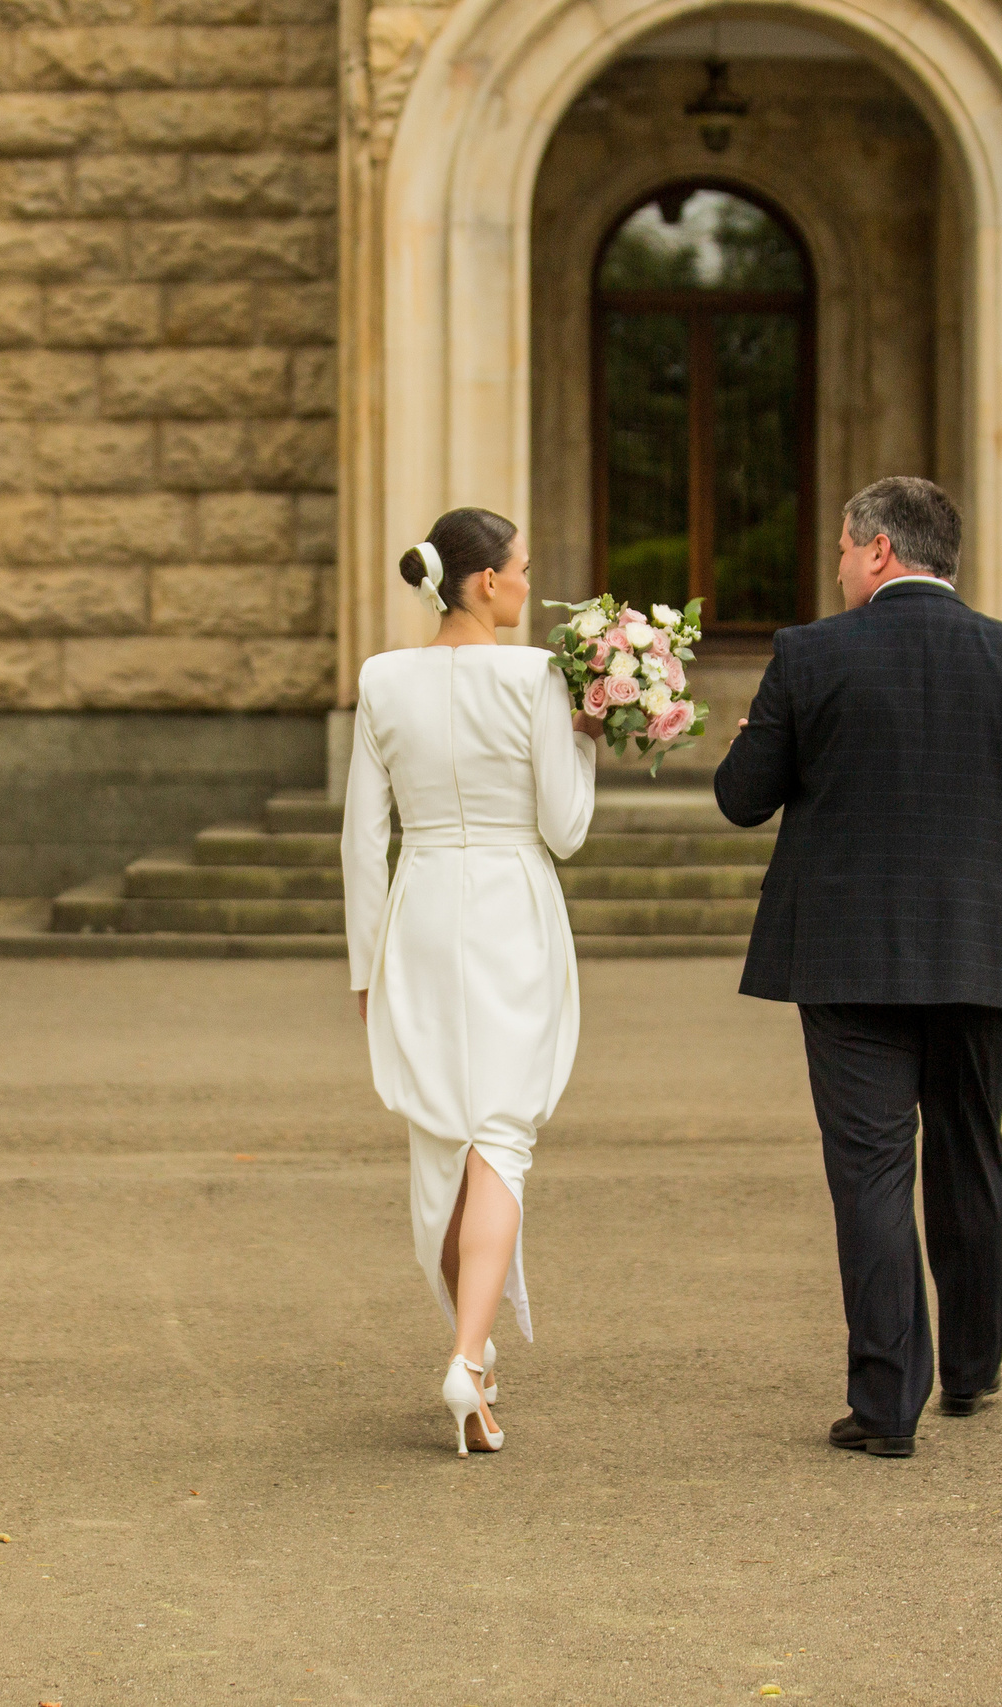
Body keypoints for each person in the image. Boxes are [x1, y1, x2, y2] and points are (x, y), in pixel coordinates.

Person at [714, 475, 1002, 1459]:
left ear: (878, 550)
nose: (839, 565)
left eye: (844, 549)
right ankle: (971, 1370)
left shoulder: (809, 656)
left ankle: (886, 1407)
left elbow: (742, 799)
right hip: (982, 954)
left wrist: (753, 739)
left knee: (872, 1173)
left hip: (847, 960)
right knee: (970, 1152)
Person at [342, 506, 606, 1457]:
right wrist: (584, 734)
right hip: (508, 909)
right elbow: (566, 828)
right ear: (485, 581)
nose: (530, 586)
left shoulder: (381, 680)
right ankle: (466, 1356)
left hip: (419, 912)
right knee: (500, 1136)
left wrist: (365, 961)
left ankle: (478, 1359)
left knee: (443, 1138)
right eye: (523, 570)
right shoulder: (536, 676)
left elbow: (364, 836)